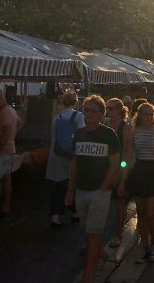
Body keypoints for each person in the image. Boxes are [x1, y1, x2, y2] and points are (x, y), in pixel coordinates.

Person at [65, 95, 120, 283]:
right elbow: (74, 162)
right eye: (86, 110)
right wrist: (70, 190)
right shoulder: (79, 133)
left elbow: (115, 163)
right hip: (81, 190)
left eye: (93, 111)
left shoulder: (108, 134)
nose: (88, 114)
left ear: (102, 114)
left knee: (93, 234)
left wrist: (105, 186)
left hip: (99, 191)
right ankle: (101, 256)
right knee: (87, 232)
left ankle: (87, 276)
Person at [121, 102, 154, 263]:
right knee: (141, 212)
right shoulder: (133, 132)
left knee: (150, 213)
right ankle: (145, 245)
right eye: (145, 114)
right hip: (138, 172)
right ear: (139, 115)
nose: (148, 117)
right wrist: (123, 179)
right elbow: (128, 156)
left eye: (151, 114)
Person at [45, 90, 85, 227]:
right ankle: (75, 213)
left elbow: (53, 138)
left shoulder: (57, 118)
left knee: (57, 186)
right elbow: (82, 136)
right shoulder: (79, 117)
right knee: (74, 183)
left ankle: (55, 217)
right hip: (73, 156)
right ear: (76, 102)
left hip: (56, 155)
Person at [0, 90, 23, 219]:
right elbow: (20, 123)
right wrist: (12, 138)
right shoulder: (11, 110)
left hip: (2, 152)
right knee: (7, 180)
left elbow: (6, 131)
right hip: (9, 150)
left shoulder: (4, 113)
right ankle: (6, 207)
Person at [105, 98, 132, 248]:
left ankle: (119, 233)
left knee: (119, 204)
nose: (108, 111)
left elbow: (127, 153)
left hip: (119, 170)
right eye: (107, 108)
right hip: (106, 169)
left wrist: (122, 173)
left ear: (119, 110)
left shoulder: (125, 128)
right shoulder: (106, 124)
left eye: (111, 108)